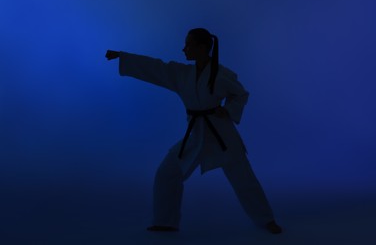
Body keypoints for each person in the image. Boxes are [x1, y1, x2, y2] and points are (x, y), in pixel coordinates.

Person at [105, 28, 282, 234]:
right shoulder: (183, 74)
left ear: (202, 47)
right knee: (167, 173)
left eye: (188, 45)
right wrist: (123, 57)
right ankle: (165, 221)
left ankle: (267, 220)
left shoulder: (221, 74)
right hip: (196, 135)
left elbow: (241, 94)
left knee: (244, 179)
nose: (184, 49)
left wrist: (228, 110)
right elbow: (156, 68)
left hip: (222, 135)